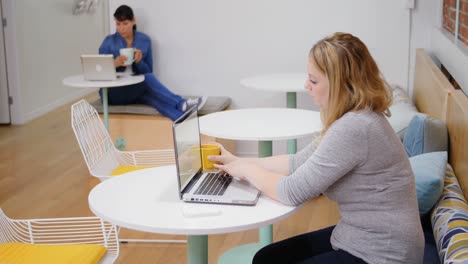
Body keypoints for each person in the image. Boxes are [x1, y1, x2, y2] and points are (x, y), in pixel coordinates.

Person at [209, 32, 424, 263]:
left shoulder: (355, 127)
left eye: (313, 80)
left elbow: (291, 192)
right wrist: (237, 162)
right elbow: (296, 162)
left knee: (266, 260)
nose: (306, 85)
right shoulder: (357, 117)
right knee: (267, 257)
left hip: (382, 255)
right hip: (362, 237)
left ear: (341, 85)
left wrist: (246, 170)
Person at [98, 5, 206, 121]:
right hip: (113, 93)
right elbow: (98, 70)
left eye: (125, 23)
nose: (121, 29)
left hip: (135, 89)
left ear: (133, 21)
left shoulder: (144, 40)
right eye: (118, 24)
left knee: (153, 99)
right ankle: (182, 103)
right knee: (147, 80)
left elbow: (149, 71)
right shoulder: (109, 42)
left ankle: (184, 120)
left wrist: (139, 62)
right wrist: (114, 64)